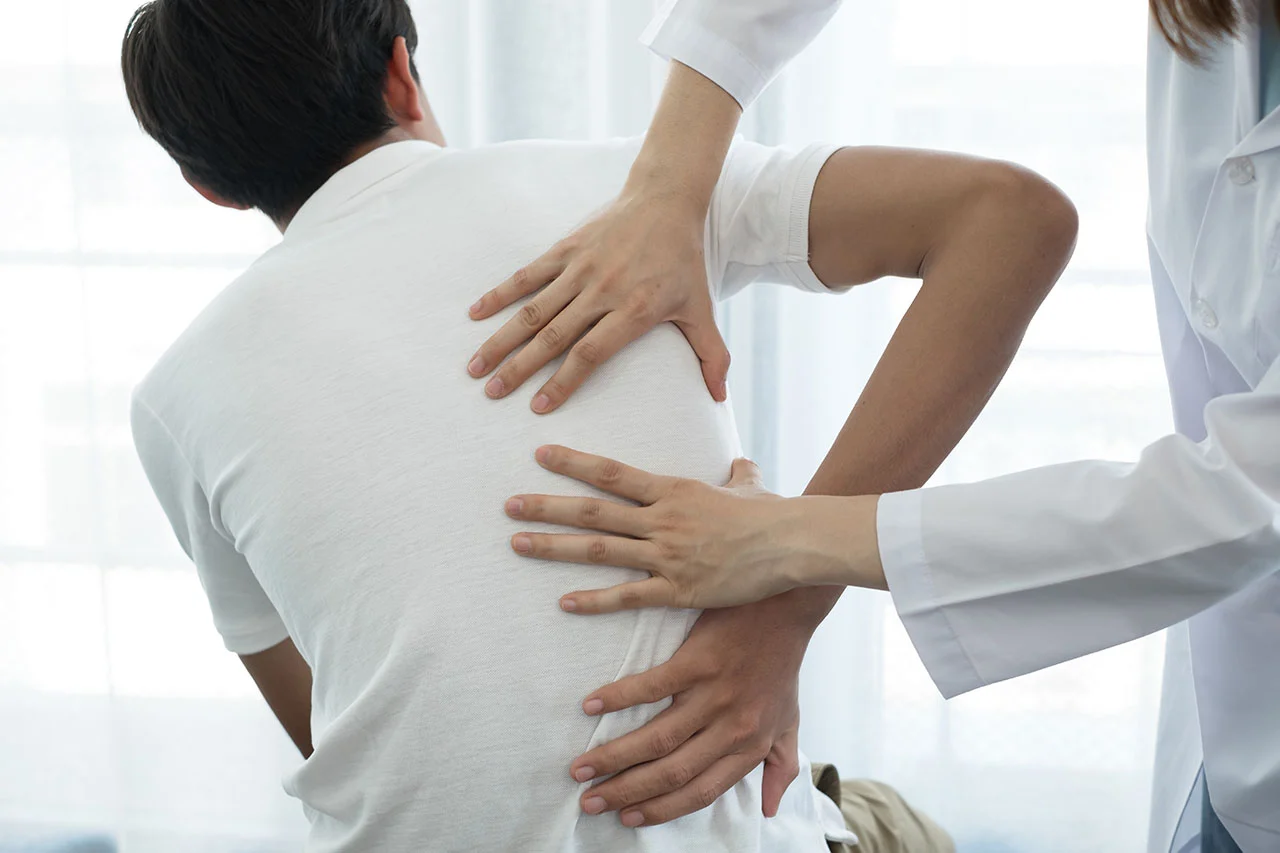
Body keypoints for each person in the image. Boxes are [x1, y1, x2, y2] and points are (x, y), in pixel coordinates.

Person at [120, 0, 1075, 849]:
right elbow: (1014, 217)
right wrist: (785, 601)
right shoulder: (632, 190)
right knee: (891, 822)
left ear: (212, 186)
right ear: (402, 74)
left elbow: (336, 727)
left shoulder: (173, 397)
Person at [480, 1, 1280, 851]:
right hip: (1228, 712)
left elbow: (1247, 495)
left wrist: (784, 553)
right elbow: (1013, 218)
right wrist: (665, 189)